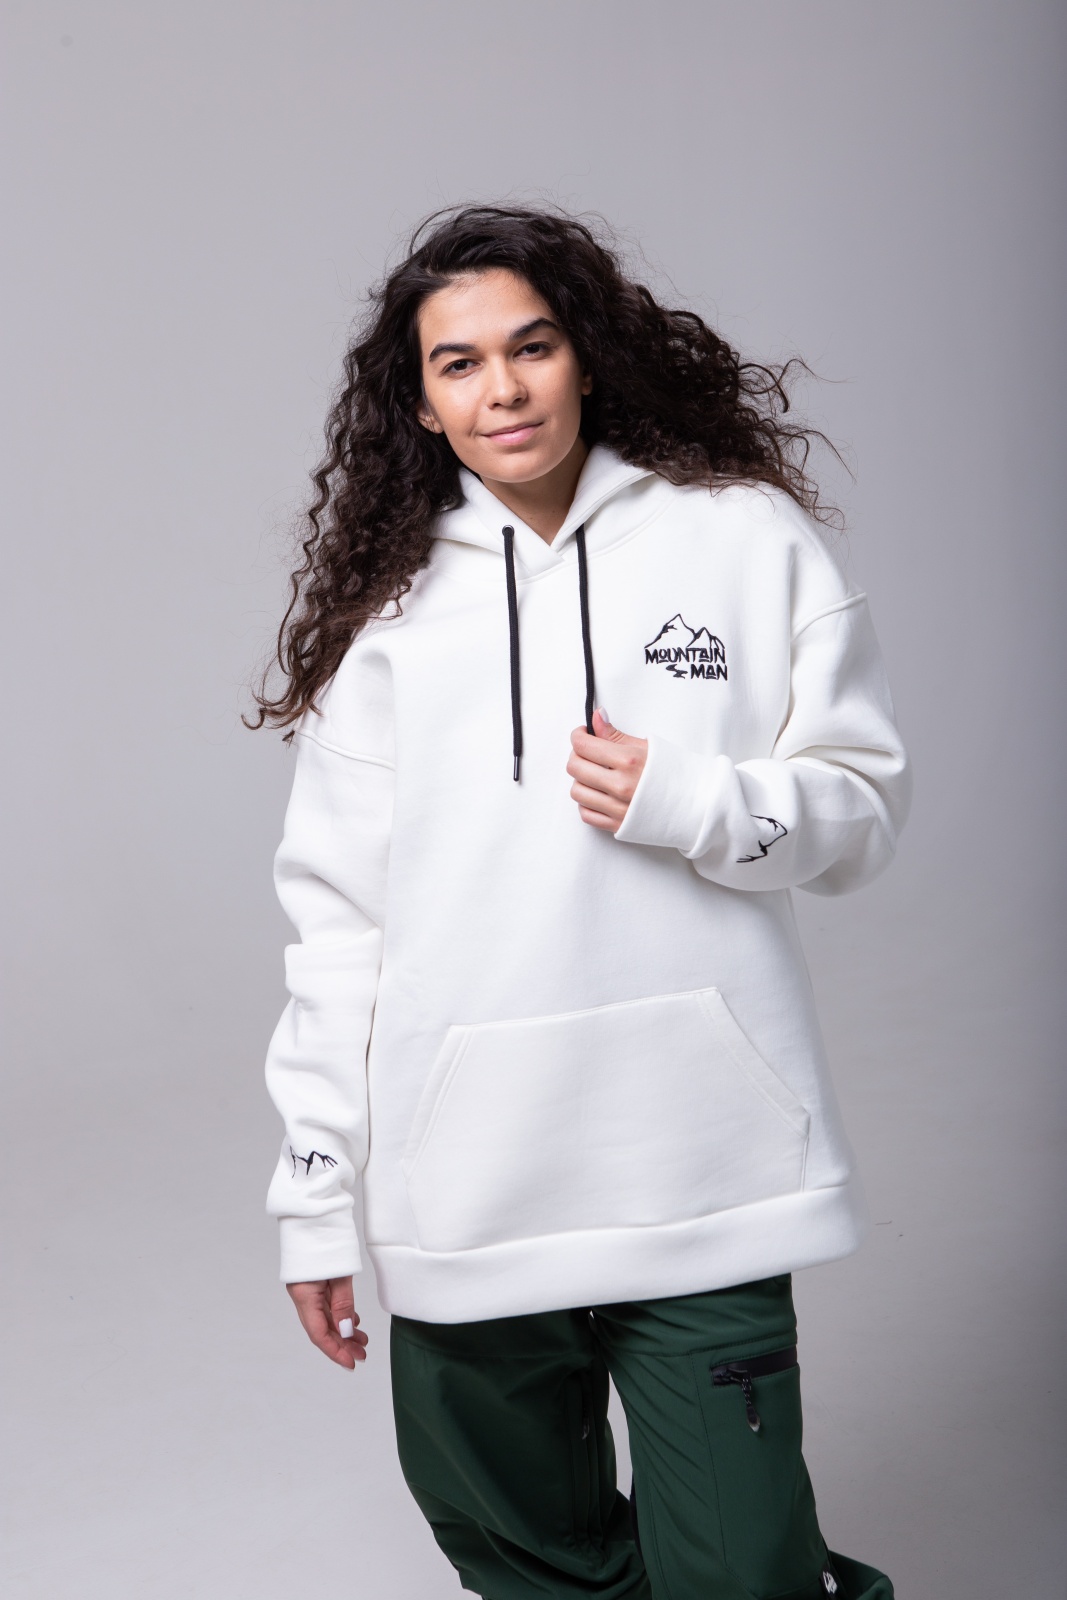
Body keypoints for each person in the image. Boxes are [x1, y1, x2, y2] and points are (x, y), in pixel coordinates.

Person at [251, 204, 910, 1600]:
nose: (502, 389)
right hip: (468, 1186)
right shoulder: (387, 621)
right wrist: (314, 1195)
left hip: (707, 1169)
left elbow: (862, 816)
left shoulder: (743, 537)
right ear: (420, 403)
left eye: (532, 346)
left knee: (742, 1576)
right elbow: (337, 932)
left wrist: (696, 802)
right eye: (459, 364)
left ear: (588, 359)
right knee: (526, 1559)